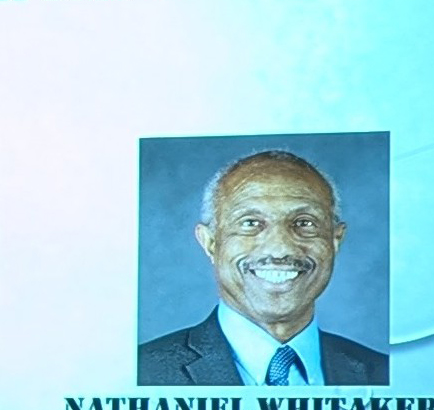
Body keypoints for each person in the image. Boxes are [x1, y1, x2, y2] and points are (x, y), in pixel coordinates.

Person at [138, 149, 389, 386]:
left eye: (304, 223)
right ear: (211, 242)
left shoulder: (381, 372)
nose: (279, 249)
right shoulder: (143, 372)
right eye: (250, 223)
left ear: (335, 240)